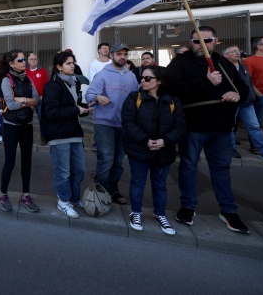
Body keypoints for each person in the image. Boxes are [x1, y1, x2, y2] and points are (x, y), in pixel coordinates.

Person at [166, 26, 250, 234]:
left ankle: (228, 210)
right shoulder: (180, 62)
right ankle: (188, 206)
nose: (202, 44)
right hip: (193, 127)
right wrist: (205, 81)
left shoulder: (224, 63)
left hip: (222, 128)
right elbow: (171, 91)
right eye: (197, 41)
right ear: (191, 42)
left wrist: (237, 94)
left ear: (216, 41)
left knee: (221, 170)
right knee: (188, 167)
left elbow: (243, 87)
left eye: (207, 40)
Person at [122, 67, 186, 234]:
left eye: (147, 78)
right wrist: (145, 140)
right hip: (139, 149)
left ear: (159, 81)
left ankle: (160, 214)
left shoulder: (172, 101)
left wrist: (165, 141)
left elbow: (180, 126)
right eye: (142, 78)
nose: (142, 81)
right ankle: (136, 212)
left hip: (164, 151)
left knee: (160, 185)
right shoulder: (133, 98)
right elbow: (128, 123)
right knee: (137, 182)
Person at [85, 43, 139, 205]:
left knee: (118, 160)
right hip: (104, 123)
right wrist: (98, 97)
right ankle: (102, 191)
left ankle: (113, 189)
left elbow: (137, 98)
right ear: (112, 56)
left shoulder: (131, 76)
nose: (122, 57)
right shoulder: (102, 75)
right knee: (107, 158)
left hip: (124, 124)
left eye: (125, 54)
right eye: (119, 54)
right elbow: (89, 94)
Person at [41, 51, 91, 219]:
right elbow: (52, 112)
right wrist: (77, 109)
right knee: (64, 172)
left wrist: (85, 108)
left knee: (79, 171)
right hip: (59, 135)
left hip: (74, 132)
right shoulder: (52, 85)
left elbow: (73, 106)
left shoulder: (73, 83)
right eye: (69, 63)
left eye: (73, 63)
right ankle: (63, 201)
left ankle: (74, 198)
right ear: (59, 67)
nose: (73, 66)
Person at [0, 50, 40, 213]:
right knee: (10, 162)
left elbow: (38, 100)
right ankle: (3, 194)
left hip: (27, 125)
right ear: (11, 64)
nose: (24, 62)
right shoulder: (6, 80)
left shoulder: (28, 79)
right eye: (21, 59)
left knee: (27, 162)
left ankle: (25, 196)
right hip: (11, 126)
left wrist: (21, 99)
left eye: (24, 59)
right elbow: (10, 105)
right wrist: (26, 102)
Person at [223, 46, 263, 162]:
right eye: (233, 51)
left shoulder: (243, 67)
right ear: (226, 55)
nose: (238, 53)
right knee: (230, 127)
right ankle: (231, 149)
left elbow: (249, 83)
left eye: (238, 51)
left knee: (255, 126)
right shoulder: (222, 68)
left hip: (247, 103)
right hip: (230, 103)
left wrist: (256, 95)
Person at [26, 53, 49, 120]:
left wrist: (44, 95)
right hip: (29, 99)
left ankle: (43, 130)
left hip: (40, 99)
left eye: (35, 59)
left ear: (37, 60)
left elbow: (47, 84)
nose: (33, 60)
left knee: (42, 118)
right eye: (31, 59)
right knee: (27, 119)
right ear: (28, 61)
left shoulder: (42, 70)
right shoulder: (24, 71)